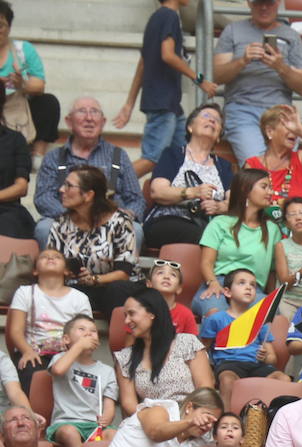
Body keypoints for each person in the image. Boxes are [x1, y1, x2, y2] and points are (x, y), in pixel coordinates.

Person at [112, 0, 217, 175]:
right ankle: (105, 187)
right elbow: (167, 55)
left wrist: (130, 102)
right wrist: (199, 80)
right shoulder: (170, 17)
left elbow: (143, 63)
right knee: (152, 158)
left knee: (183, 156)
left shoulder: (156, 17)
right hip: (163, 101)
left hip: (169, 103)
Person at [33, 98, 145, 249]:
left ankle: (121, 273)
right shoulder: (54, 157)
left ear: (103, 121)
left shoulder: (118, 155)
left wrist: (124, 215)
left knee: (135, 230)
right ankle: (54, 272)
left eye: (94, 112)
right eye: (82, 111)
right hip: (66, 219)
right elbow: (43, 198)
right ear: (68, 122)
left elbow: (137, 199)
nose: (89, 118)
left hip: (110, 221)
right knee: (44, 229)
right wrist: (76, 216)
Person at [212, 0, 302, 164]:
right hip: (242, 110)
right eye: (258, 3)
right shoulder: (233, 31)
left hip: (280, 112)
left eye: (269, 3)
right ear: (249, 3)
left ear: (278, 2)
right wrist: (243, 60)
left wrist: (280, 67)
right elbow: (216, 76)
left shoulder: (291, 35)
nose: (264, 8)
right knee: (257, 167)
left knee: (283, 167)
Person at [48, 165, 140, 318]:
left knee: (116, 290)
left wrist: (94, 279)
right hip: (81, 288)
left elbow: (124, 272)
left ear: (88, 195)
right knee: (66, 294)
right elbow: (53, 261)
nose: (61, 190)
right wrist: (68, 271)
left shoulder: (120, 222)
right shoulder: (61, 224)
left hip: (117, 287)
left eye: (68, 186)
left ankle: (121, 340)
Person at [141, 103, 234, 249]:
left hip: (209, 224)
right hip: (169, 219)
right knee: (207, 238)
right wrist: (193, 192)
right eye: (206, 116)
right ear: (190, 127)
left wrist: (219, 206)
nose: (212, 120)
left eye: (217, 120)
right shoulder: (173, 155)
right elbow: (157, 191)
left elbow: (235, 203)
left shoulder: (224, 165)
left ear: (218, 137)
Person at [193, 168, 279, 318]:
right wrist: (213, 283)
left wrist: (270, 297)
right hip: (219, 284)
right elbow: (206, 263)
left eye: (270, 187)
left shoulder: (272, 229)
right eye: (264, 187)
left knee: (270, 316)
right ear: (246, 190)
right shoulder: (219, 223)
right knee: (217, 316)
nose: (270, 192)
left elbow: (272, 271)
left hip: (253, 289)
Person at [115, 289, 215, 416]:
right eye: (125, 316)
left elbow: (205, 389)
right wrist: (155, 423)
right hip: (148, 423)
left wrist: (187, 421)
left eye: (131, 314)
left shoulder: (187, 343)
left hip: (190, 419)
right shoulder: (125, 358)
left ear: (151, 313)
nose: (126, 321)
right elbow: (129, 404)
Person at [94, 386, 223, 447]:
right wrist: (190, 423)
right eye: (207, 417)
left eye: (213, 422)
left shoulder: (197, 444)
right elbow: (156, 432)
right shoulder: (162, 409)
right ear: (189, 407)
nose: (208, 425)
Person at [199, 268, 289, 405]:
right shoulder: (216, 319)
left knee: (284, 379)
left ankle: (275, 420)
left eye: (253, 285)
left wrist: (266, 357)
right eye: (242, 283)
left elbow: (272, 358)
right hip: (229, 364)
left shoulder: (260, 322)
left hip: (257, 365)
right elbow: (202, 350)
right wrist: (209, 373)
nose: (248, 287)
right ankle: (226, 419)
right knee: (227, 379)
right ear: (227, 292)